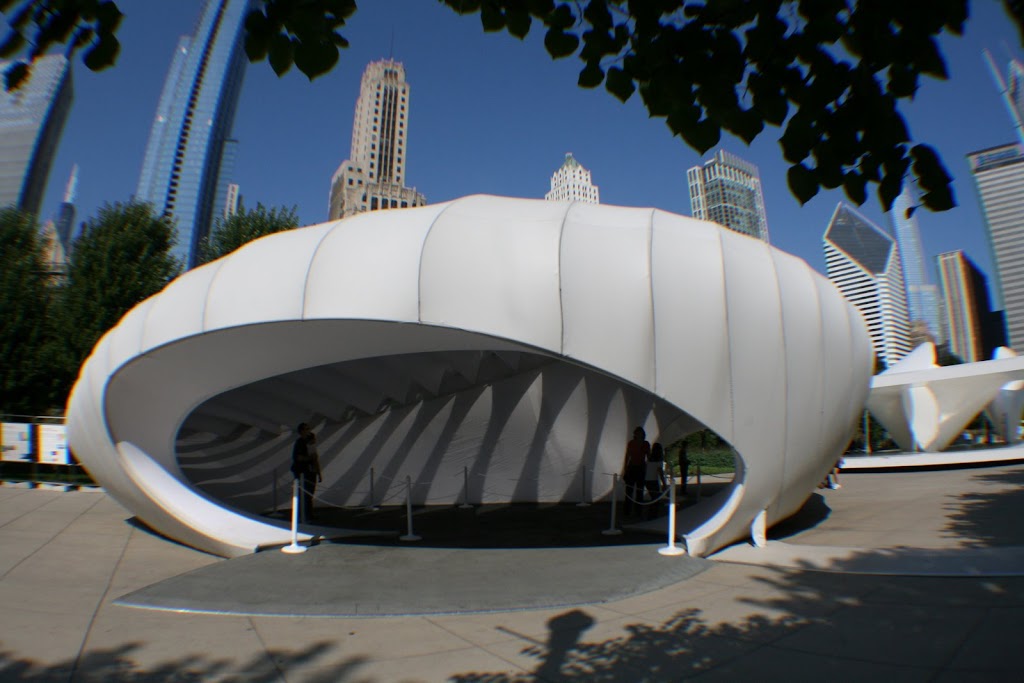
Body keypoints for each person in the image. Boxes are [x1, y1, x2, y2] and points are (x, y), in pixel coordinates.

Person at [291, 422, 322, 521]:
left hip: (310, 471)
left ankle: (308, 514)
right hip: (302, 471)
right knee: (304, 494)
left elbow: (315, 458)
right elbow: (298, 457)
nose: (308, 430)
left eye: (309, 428)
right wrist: (309, 458)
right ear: (301, 431)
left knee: (309, 494)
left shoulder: (310, 443)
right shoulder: (299, 443)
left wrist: (318, 472)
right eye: (306, 429)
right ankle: (303, 515)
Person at [622, 426, 650, 517]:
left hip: (640, 468)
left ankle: (638, 511)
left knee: (639, 491)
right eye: (637, 433)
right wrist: (625, 468)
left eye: (639, 433)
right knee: (629, 490)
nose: (638, 434)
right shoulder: (631, 443)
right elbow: (627, 456)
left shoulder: (645, 444)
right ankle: (627, 511)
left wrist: (649, 468)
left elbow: (648, 456)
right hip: (632, 468)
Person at [644, 442, 667, 519]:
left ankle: (652, 514)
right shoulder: (659, 460)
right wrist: (664, 483)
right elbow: (660, 472)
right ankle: (652, 515)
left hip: (647, 480)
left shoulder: (650, 458)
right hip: (653, 480)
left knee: (654, 497)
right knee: (655, 498)